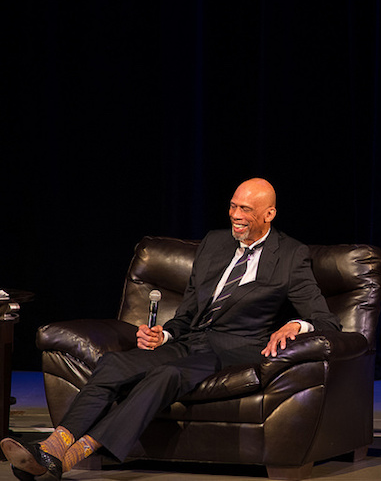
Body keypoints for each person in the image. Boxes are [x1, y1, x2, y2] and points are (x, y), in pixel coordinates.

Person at [0, 178, 341, 480]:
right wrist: (163, 334)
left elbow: (326, 321)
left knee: (166, 375)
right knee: (114, 364)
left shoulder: (290, 255)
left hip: (234, 350)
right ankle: (52, 448)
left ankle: (77, 453)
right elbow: (188, 310)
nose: (235, 215)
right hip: (190, 341)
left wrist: (296, 324)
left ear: (269, 214)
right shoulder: (214, 243)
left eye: (246, 209)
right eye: (233, 206)